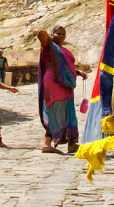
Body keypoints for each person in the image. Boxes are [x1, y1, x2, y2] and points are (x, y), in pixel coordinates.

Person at [37, 26, 88, 154]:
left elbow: (63, 66)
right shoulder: (49, 46)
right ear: (52, 34)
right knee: (53, 109)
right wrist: (47, 35)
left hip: (65, 83)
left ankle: (72, 143)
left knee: (68, 111)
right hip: (53, 81)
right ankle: (47, 143)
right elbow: (41, 34)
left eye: (63, 34)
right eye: (57, 33)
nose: (60, 36)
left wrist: (77, 72)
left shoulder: (63, 50)